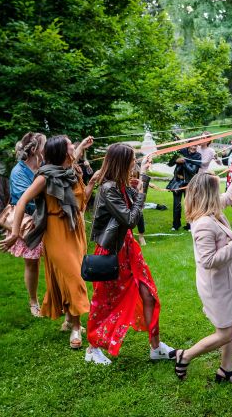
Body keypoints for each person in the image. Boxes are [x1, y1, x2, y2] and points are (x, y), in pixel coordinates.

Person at [0, 135, 94, 349]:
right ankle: (77, 327)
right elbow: (22, 200)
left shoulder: (73, 172)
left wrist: (91, 171)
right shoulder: (45, 177)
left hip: (75, 229)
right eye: (71, 145)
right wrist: (15, 233)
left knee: (71, 273)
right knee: (73, 276)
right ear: (62, 151)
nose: (74, 147)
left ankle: (69, 318)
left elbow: (79, 198)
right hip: (55, 231)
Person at [84, 144, 173, 365]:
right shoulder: (108, 188)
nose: (134, 162)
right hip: (112, 252)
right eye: (133, 159)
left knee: (149, 294)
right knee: (105, 302)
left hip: (129, 249)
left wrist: (142, 179)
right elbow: (131, 219)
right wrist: (140, 195)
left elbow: (131, 202)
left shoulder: (120, 186)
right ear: (122, 162)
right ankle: (92, 347)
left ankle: (156, 347)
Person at [171, 155, 232, 382]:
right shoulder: (203, 224)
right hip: (215, 284)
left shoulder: (213, 208)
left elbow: (231, 195)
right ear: (208, 193)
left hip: (227, 278)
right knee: (225, 332)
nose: (221, 191)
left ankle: (225, 369)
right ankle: (185, 355)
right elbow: (208, 260)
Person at [3, 132, 47, 317]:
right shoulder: (18, 171)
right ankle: (33, 301)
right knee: (32, 262)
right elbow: (25, 200)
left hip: (45, 219)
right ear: (36, 149)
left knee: (54, 261)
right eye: (45, 145)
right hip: (28, 222)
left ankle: (54, 299)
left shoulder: (44, 166)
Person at [167, 144, 201, 231]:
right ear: (188, 145)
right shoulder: (181, 152)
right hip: (177, 182)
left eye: (195, 146)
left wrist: (184, 162)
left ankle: (190, 225)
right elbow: (169, 164)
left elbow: (193, 171)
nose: (193, 147)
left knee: (189, 205)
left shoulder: (198, 156)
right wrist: (175, 161)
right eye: (192, 145)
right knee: (176, 204)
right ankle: (175, 225)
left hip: (189, 183)